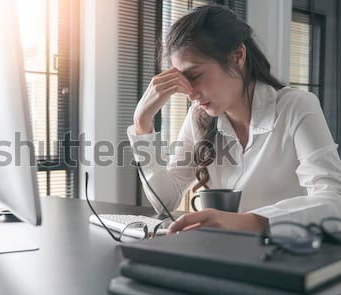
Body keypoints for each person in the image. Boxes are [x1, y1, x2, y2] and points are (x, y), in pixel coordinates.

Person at [128, 5, 341, 235]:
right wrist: (142, 123)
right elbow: (164, 201)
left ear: (238, 56)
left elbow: (333, 201)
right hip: (224, 255)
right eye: (182, 79)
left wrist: (249, 222)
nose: (189, 93)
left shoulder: (296, 107)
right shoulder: (198, 118)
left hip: (286, 257)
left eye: (195, 75)